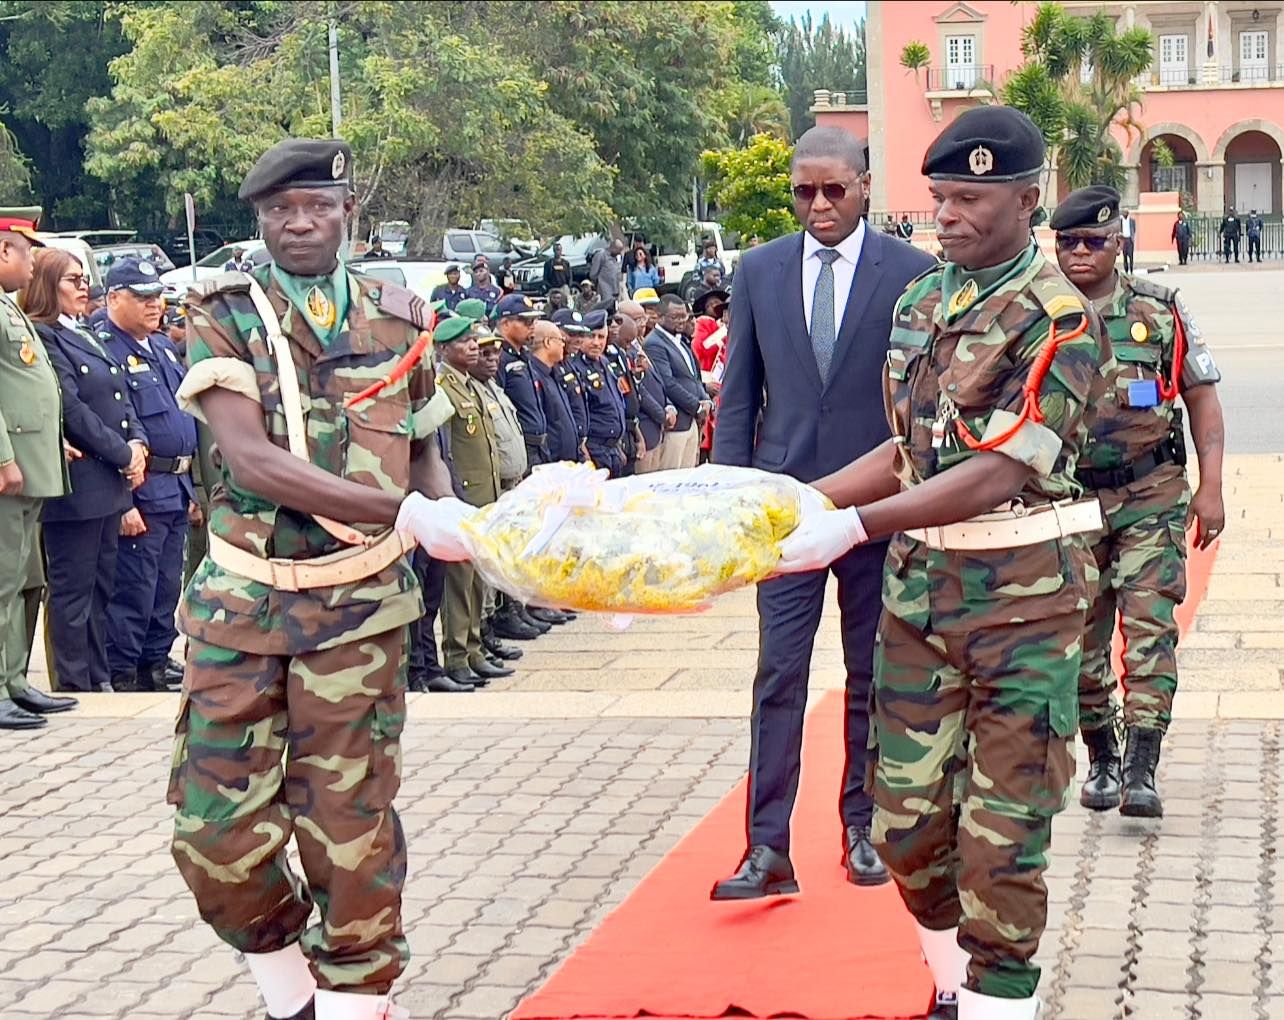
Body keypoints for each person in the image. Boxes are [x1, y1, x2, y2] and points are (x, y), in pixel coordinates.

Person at [770, 107, 1111, 1020]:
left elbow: (997, 471)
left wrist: (854, 529)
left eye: (968, 200)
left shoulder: (1061, 321)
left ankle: (994, 1000)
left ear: (1027, 201)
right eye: (939, 198)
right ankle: (954, 988)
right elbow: (908, 450)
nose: (946, 216)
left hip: (1024, 610)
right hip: (922, 603)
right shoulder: (924, 301)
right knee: (905, 829)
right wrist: (802, 502)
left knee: (1002, 844)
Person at [170, 137, 470, 1020]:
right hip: (242, 606)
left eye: (316, 207)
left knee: (349, 831)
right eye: (279, 211)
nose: (298, 224)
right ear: (260, 221)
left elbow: (426, 448)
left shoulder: (399, 317)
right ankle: (290, 990)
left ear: (348, 213)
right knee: (214, 835)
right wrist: (402, 512)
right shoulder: (225, 314)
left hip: (359, 612)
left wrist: (455, 517)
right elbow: (252, 460)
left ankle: (352, 1000)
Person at [709, 126, 935, 906]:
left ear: (865, 185)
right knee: (779, 675)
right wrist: (729, 503)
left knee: (873, 672)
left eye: (834, 189)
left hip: (877, 510)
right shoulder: (759, 270)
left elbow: (919, 404)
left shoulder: (911, 272)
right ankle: (766, 847)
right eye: (804, 192)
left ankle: (862, 829)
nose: (819, 205)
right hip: (785, 514)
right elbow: (739, 396)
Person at [1053, 185, 1225, 821]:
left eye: (1093, 241)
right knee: (1080, 638)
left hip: (1151, 494)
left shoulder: (1158, 308)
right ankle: (1102, 754)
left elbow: (1202, 398)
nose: (1079, 253)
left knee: (1150, 627)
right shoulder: (1039, 314)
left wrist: (1211, 486)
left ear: (1116, 243)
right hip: (1069, 502)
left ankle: (1140, 768)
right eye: (1068, 242)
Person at [22, 247, 146, 696]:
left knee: (99, 587)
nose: (84, 287)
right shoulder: (44, 334)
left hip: (107, 481)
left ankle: (97, 675)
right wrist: (121, 453)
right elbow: (72, 410)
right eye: (73, 280)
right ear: (47, 285)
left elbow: (119, 394)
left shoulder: (85, 331)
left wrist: (136, 443)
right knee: (72, 591)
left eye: (85, 279)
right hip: (79, 483)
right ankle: (74, 681)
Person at [97, 258, 198, 693]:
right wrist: (125, 502)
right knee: (133, 588)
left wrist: (192, 490)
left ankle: (155, 661)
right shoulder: (105, 350)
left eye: (157, 296)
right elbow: (115, 427)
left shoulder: (160, 347)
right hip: (141, 487)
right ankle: (123, 671)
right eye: (142, 297)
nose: (154, 304)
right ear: (113, 298)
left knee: (165, 585)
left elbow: (184, 417)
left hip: (174, 485)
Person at [0, 212, 77, 728]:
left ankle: (13, 680)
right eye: (27, 253)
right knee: (1, 582)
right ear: (3, 251)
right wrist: (3, 457)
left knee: (16, 582)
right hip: (10, 468)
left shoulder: (9, 305)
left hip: (29, 465)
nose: (33, 264)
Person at [434, 316, 513, 690]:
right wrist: (450, 495)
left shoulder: (472, 386)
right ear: (444, 349)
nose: (473, 348)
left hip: (484, 496)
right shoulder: (444, 388)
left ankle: (474, 649)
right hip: (462, 496)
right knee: (459, 582)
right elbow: (445, 451)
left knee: (478, 578)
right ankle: (456, 656)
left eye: (474, 342)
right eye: (464, 342)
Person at [468, 329, 533, 652]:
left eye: (495, 353)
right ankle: (484, 629)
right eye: (484, 354)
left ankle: (507, 613)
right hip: (487, 488)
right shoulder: (467, 391)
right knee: (486, 564)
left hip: (510, 483)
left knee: (507, 555)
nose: (493, 359)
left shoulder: (492, 388)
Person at [642, 294, 708, 470]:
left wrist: (706, 399)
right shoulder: (654, 343)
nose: (681, 321)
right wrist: (697, 406)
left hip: (691, 422)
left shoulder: (681, 341)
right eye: (675, 317)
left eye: (683, 316)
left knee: (689, 477)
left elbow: (693, 378)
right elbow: (668, 383)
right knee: (672, 478)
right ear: (659, 316)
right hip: (676, 424)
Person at [495, 292, 549, 469]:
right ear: (505, 323)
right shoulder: (497, 357)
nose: (532, 326)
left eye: (534, 321)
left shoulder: (523, 354)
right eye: (526, 321)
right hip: (520, 446)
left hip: (539, 446)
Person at [618, 300, 671, 474]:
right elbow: (639, 391)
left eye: (643, 318)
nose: (642, 323)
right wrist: (662, 415)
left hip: (656, 429)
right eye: (637, 319)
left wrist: (668, 407)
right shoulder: (625, 350)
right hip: (644, 427)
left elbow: (658, 382)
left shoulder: (640, 344)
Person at [578, 309, 628, 477]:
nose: (596, 343)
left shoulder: (605, 362)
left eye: (601, 337)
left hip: (612, 449)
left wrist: (617, 446)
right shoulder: (576, 367)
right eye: (591, 336)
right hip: (594, 448)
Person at [529, 318, 582, 463]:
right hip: (553, 462)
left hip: (568, 460)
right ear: (547, 342)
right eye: (560, 340)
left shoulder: (553, 373)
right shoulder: (534, 376)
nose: (563, 345)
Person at [588, 238, 624, 303]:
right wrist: (599, 284)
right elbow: (593, 274)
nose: (619, 253)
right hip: (605, 291)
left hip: (616, 290)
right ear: (613, 248)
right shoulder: (601, 255)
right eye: (618, 251)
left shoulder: (616, 257)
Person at [1119, 207, 1135, 272]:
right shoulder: (1120, 221)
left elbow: (1134, 230)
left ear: (1128, 213)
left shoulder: (1132, 221)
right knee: (1124, 256)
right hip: (1124, 240)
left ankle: (1131, 270)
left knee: (1131, 256)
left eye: (1126, 212)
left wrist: (1132, 237)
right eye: (1123, 212)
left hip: (1130, 240)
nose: (1124, 214)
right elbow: (1119, 229)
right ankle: (1126, 271)